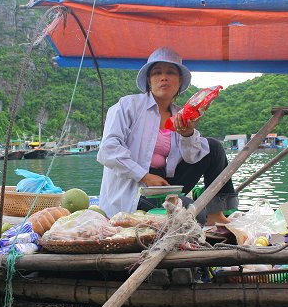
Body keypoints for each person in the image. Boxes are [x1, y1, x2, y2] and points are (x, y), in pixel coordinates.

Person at [97, 47, 238, 226]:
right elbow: (108, 150)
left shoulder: (180, 115)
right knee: (193, 214)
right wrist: (144, 176)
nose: (164, 77)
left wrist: (187, 134)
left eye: (171, 73)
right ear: (149, 80)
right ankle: (195, 212)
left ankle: (216, 214)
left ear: (179, 82)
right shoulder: (127, 106)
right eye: (157, 73)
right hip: (136, 190)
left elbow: (192, 157)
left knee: (213, 148)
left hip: (167, 184)